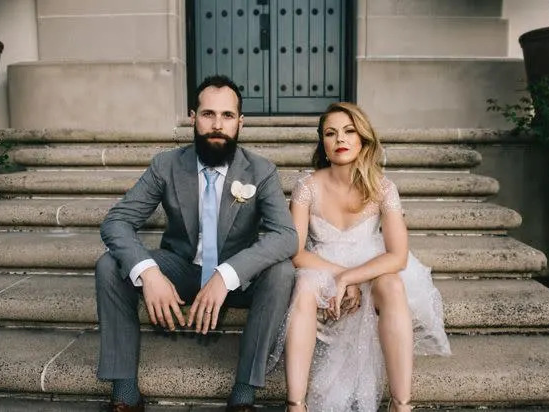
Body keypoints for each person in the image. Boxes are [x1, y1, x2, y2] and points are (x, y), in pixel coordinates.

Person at [95, 75, 298, 412]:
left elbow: (286, 236)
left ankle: (244, 394)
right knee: (109, 265)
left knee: (282, 272)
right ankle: (125, 392)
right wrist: (149, 273)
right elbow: (117, 221)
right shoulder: (167, 164)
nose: (217, 125)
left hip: (235, 279)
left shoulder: (260, 171)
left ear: (240, 122)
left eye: (227, 116)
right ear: (193, 117)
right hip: (180, 268)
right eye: (208, 114)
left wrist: (227, 274)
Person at [278, 102, 451, 411]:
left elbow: (397, 256)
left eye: (349, 131)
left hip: (370, 264)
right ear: (323, 143)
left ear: (363, 139)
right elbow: (296, 252)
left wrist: (350, 277)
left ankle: (401, 404)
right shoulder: (306, 187)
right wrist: (337, 274)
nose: (340, 139)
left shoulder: (383, 188)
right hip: (320, 265)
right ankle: (296, 404)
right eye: (330, 133)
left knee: (393, 285)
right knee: (303, 289)